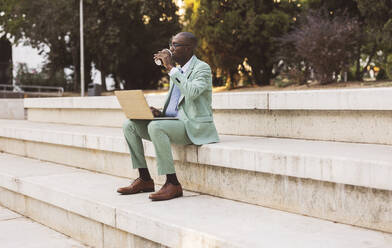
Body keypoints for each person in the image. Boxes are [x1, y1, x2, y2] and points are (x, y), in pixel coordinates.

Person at [117, 32, 219, 201]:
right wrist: (159, 113)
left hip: (192, 126)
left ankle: (172, 183)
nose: (171, 49)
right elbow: (177, 104)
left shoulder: (202, 68)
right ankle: (145, 179)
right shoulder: (177, 71)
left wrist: (171, 69)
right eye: (171, 44)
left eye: (175, 45)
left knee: (155, 126)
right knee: (129, 124)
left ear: (188, 49)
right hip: (173, 122)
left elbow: (192, 93)